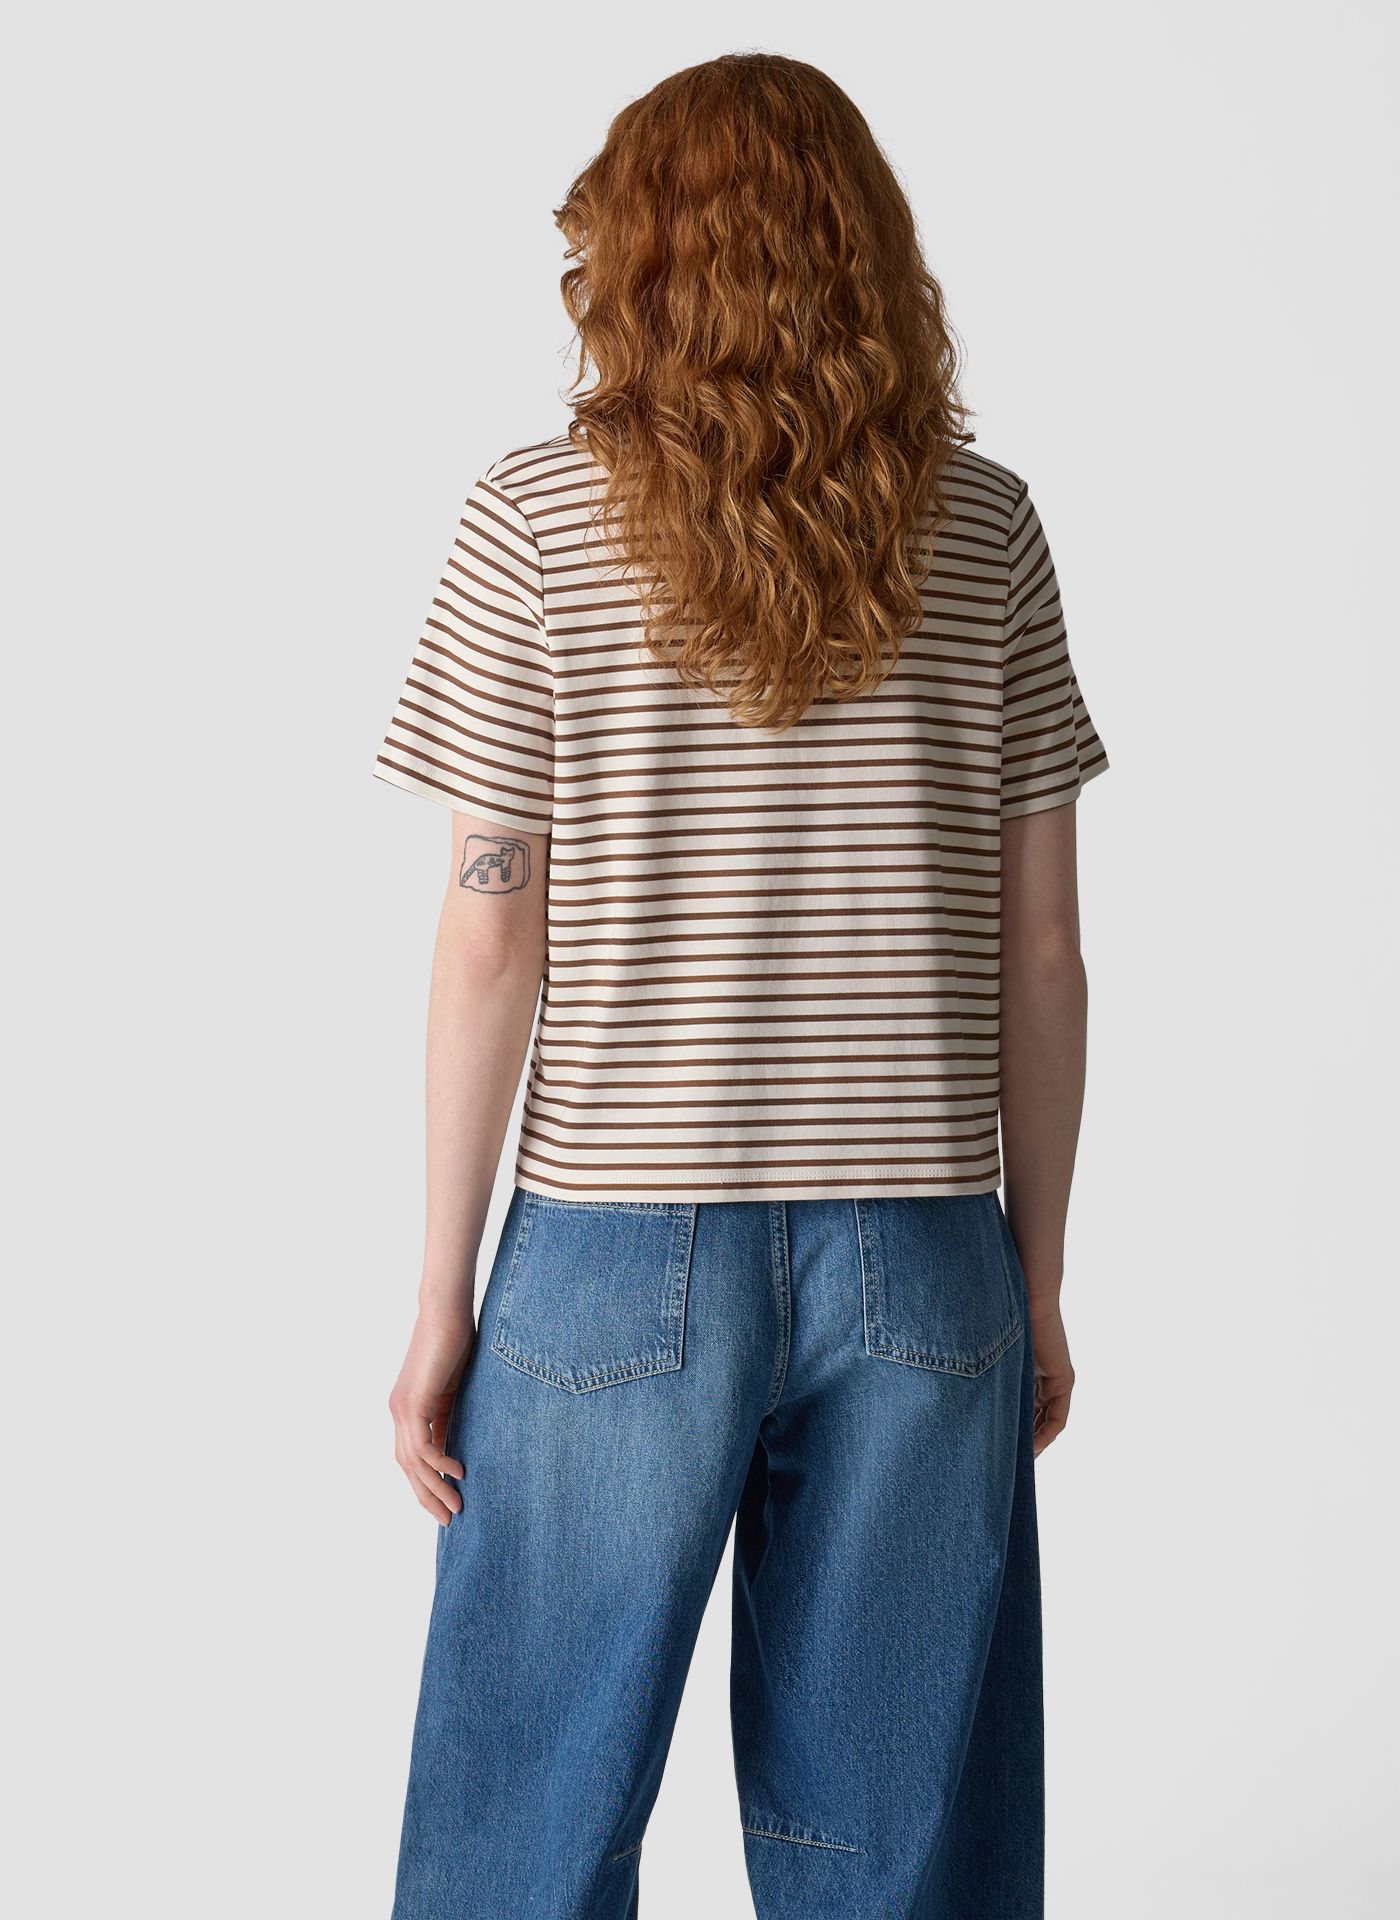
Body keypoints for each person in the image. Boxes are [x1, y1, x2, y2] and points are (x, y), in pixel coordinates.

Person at [374, 51, 1108, 1920]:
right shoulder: (983, 528)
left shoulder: (534, 522)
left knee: (523, 1828)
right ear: (868, 248)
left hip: (613, 1239)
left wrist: (442, 1299)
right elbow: (1044, 948)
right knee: (904, 1855)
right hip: (924, 1248)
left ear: (629, 252)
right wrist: (1032, 1277)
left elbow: (489, 932)